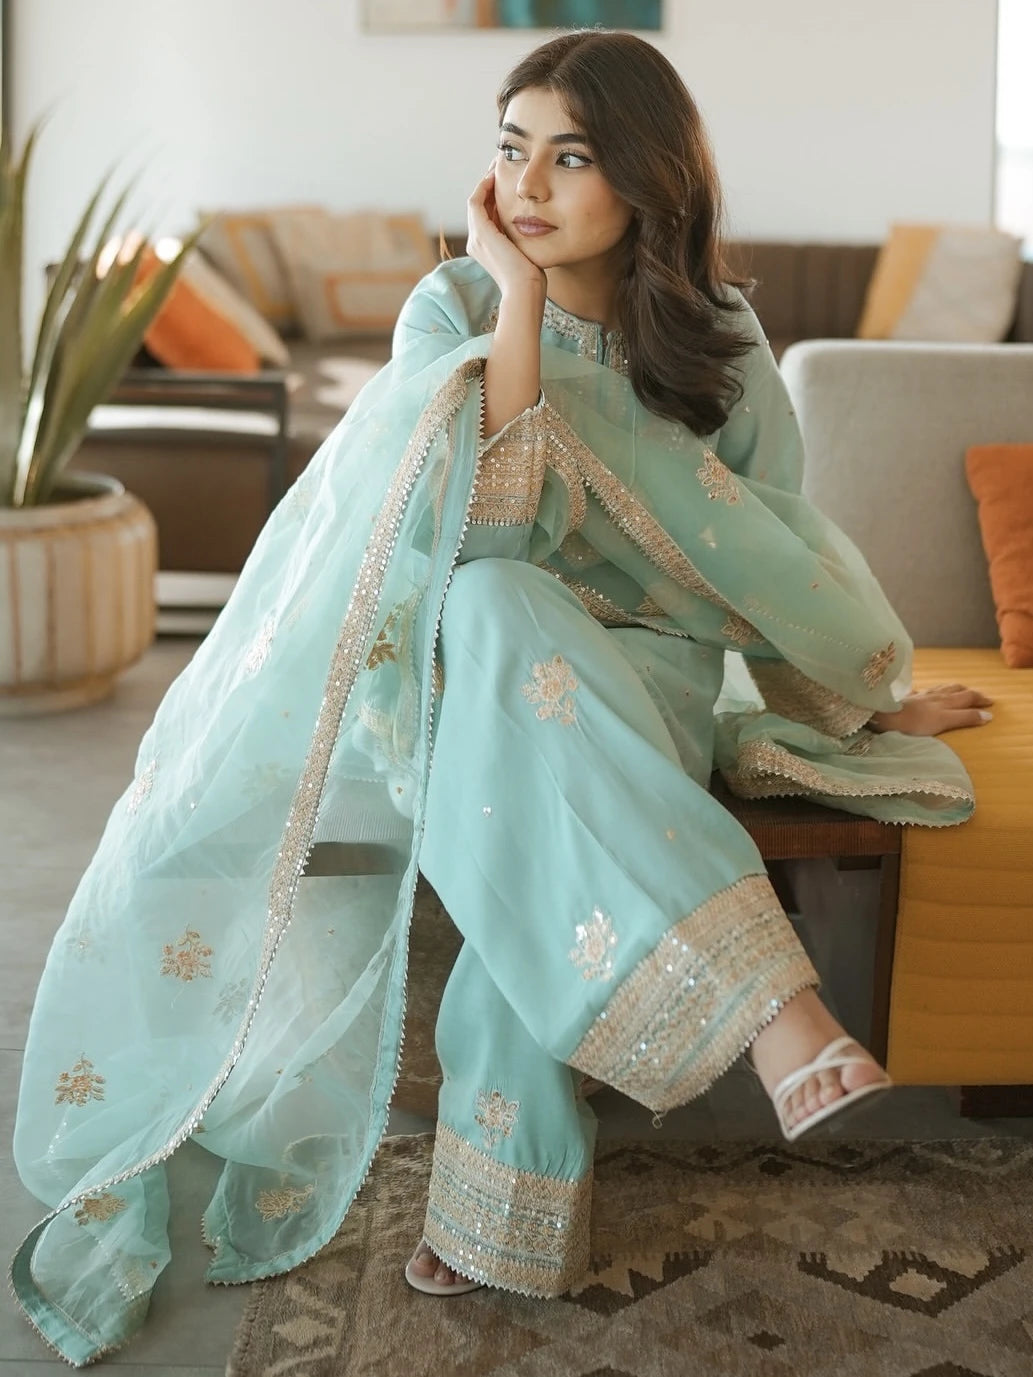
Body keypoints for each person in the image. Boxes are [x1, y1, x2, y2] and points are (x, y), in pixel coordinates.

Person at [13, 29, 988, 1364]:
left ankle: (505, 1200)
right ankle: (776, 1014)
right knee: (493, 603)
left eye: (570, 155)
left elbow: (772, 545)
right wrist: (515, 302)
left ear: (646, 178)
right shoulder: (449, 313)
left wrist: (861, 701)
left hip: (638, 682)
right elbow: (475, 532)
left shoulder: (717, 335)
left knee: (525, 782)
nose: (526, 182)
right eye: (510, 145)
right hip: (459, 666)